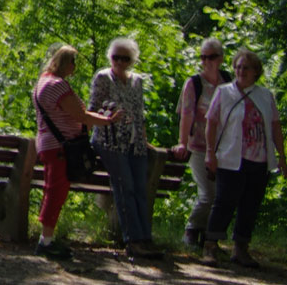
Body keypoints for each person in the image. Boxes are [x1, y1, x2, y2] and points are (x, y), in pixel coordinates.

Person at [203, 49, 287, 268]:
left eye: (246, 68)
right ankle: (210, 245)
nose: (241, 71)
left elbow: (275, 127)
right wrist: (210, 153)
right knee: (224, 202)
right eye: (238, 67)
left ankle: (241, 248)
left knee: (250, 205)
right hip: (230, 158)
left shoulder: (265, 96)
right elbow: (211, 123)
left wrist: (282, 157)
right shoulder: (223, 92)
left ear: (256, 72)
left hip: (258, 160)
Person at [33, 45, 116, 260]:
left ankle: (47, 239)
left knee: (53, 190)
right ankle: (46, 241)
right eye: (73, 63)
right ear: (66, 62)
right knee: (56, 192)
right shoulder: (57, 85)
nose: (75, 68)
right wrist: (107, 120)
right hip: (60, 148)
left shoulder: (43, 81)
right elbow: (81, 116)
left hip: (49, 145)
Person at [89, 38, 162, 260]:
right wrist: (108, 118)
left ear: (132, 60)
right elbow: (92, 109)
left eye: (125, 58)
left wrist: (144, 140)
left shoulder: (137, 81)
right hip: (110, 141)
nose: (120, 62)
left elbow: (140, 114)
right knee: (125, 187)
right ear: (110, 58)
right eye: (115, 57)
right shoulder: (103, 78)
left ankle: (145, 238)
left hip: (134, 142)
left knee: (140, 188)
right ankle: (133, 240)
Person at [175, 38, 228, 248]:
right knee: (208, 194)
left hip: (224, 147)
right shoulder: (194, 83)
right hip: (197, 146)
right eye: (203, 57)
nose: (206, 61)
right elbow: (186, 115)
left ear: (221, 59)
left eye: (211, 57)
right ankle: (191, 229)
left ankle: (208, 237)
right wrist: (181, 142)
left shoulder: (228, 82)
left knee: (221, 196)